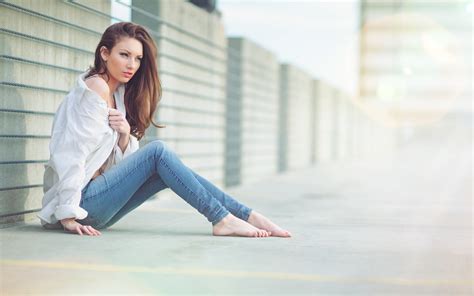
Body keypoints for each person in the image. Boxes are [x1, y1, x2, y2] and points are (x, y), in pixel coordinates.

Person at [37, 22, 291, 238]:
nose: (132, 65)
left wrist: (124, 135)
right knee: (158, 152)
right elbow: (71, 152)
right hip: (82, 206)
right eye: (124, 55)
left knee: (163, 170)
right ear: (104, 53)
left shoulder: (119, 94)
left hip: (96, 205)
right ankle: (222, 218)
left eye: (137, 58)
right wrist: (68, 214)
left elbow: (116, 169)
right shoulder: (94, 89)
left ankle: (245, 215)